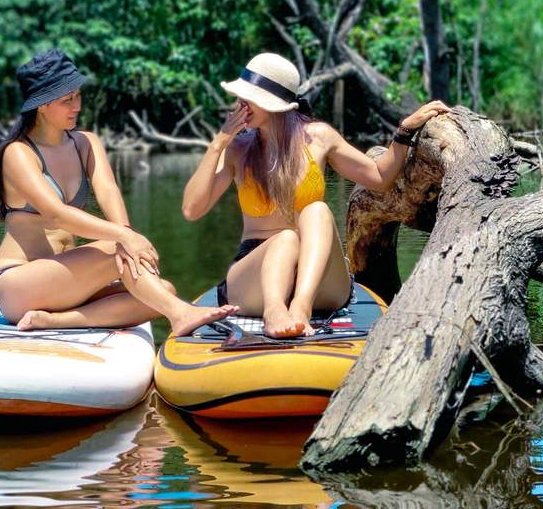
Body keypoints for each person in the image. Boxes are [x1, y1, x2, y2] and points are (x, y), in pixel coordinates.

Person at [181, 53, 449, 338]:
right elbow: (192, 209)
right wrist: (217, 145)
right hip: (255, 278)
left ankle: (300, 308)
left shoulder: (319, 137)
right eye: (241, 97)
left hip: (317, 279)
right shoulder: (237, 149)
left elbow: (379, 178)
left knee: (317, 210)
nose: (240, 104)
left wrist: (404, 131)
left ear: (275, 105)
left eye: (249, 98)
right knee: (284, 238)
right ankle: (275, 311)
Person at [0, 50, 239, 336]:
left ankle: (54, 321)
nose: (77, 106)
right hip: (19, 285)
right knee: (116, 249)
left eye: (78, 96)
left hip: (68, 285)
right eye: (66, 100)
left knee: (162, 290)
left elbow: (108, 191)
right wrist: (124, 237)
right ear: (42, 106)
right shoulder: (18, 153)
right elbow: (55, 214)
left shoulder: (86, 143)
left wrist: (127, 237)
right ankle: (181, 315)